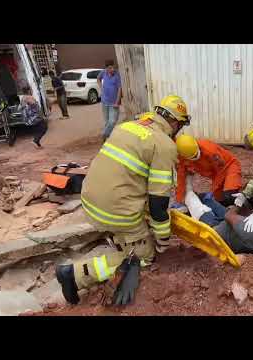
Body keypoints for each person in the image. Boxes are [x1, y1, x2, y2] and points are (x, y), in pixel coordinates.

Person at [55, 95, 191, 306]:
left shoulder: (128, 126)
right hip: (114, 211)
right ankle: (75, 275)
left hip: (89, 200)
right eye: (180, 126)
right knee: (146, 255)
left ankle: (124, 241)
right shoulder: (164, 145)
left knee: (136, 228)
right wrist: (163, 237)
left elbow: (130, 177)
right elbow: (158, 203)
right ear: (175, 122)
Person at [175, 134, 242, 207]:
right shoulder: (181, 158)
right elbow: (181, 178)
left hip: (229, 166)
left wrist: (213, 190)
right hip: (215, 173)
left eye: (196, 154)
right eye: (192, 157)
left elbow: (221, 171)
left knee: (229, 196)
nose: (196, 157)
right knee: (218, 200)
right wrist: (179, 200)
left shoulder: (210, 150)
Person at [97, 60, 122, 141]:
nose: (112, 69)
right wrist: (101, 88)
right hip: (104, 102)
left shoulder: (117, 75)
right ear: (106, 68)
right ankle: (108, 139)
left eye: (112, 67)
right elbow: (98, 79)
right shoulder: (103, 73)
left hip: (113, 103)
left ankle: (104, 134)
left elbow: (119, 89)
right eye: (110, 68)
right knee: (107, 122)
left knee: (112, 121)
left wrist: (117, 102)